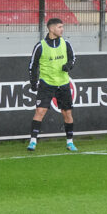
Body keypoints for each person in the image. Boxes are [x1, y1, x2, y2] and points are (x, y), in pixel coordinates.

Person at [27, 17, 77, 152]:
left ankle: (70, 142)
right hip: (46, 84)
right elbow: (33, 65)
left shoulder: (66, 43)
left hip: (63, 84)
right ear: (51, 28)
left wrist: (69, 66)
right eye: (60, 27)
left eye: (62, 27)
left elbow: (73, 58)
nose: (62, 29)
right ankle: (33, 141)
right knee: (40, 111)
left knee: (67, 113)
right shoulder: (40, 46)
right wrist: (33, 82)